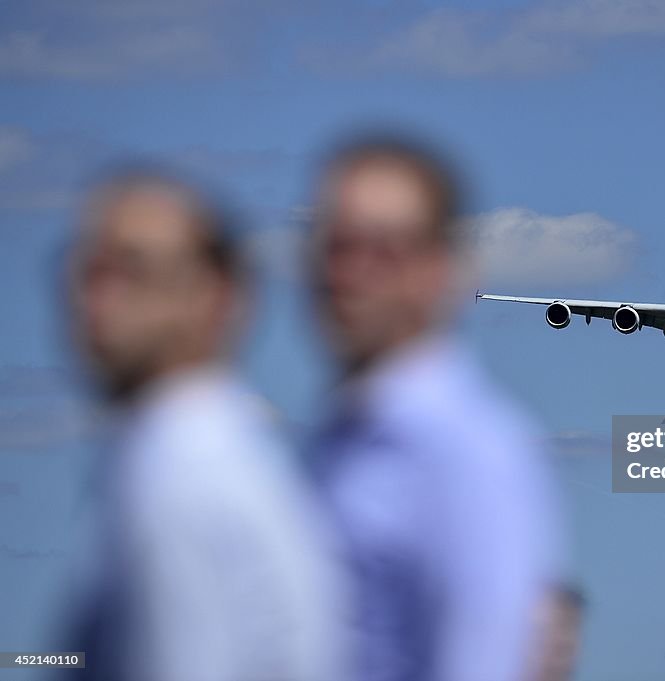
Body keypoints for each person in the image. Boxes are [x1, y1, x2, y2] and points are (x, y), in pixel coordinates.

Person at [66, 166, 345, 681]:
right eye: (86, 272)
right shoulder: (225, 462)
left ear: (217, 295)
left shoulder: (182, 484)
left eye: (134, 271)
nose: (95, 303)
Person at [309, 134, 563, 681]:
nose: (349, 274)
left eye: (385, 250)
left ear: (443, 268)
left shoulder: (468, 456)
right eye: (335, 246)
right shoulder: (335, 441)